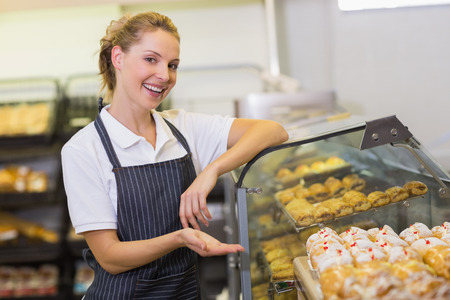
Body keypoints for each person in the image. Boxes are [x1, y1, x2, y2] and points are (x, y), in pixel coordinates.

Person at [61, 11, 288, 299]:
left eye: (173, 65)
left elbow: (274, 131)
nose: (165, 76)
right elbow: (110, 257)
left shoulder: (182, 127)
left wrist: (212, 171)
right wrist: (179, 238)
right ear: (118, 58)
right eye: (150, 59)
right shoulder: (84, 149)